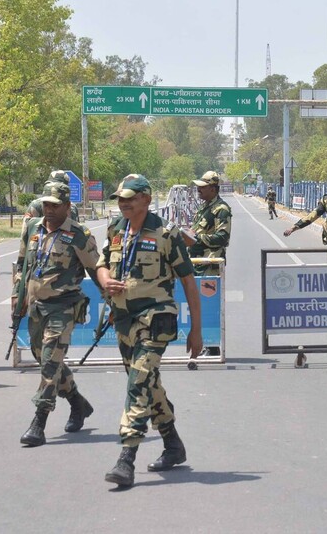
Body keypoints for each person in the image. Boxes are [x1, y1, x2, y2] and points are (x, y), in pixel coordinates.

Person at [96, 174, 202, 488]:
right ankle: (173, 444)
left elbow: (188, 282)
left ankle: (125, 459)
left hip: (156, 319)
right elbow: (102, 263)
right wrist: (104, 280)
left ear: (145, 198)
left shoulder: (166, 233)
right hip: (124, 320)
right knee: (148, 384)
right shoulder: (116, 229)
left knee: (137, 384)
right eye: (120, 198)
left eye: (130, 197)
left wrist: (196, 330)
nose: (123, 203)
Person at [17, 183, 99, 446]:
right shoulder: (33, 228)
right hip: (35, 306)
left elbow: (97, 271)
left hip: (63, 307)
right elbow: (24, 267)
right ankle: (77, 402)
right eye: (46, 204)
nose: (49, 210)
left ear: (67, 206)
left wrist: (113, 302)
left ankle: (39, 421)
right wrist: (18, 301)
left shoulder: (79, 234)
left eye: (55, 205)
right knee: (44, 359)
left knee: (50, 362)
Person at [186, 170, 232, 276]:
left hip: (209, 266)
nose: (198, 189)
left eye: (202, 187)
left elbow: (223, 238)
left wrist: (196, 238)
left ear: (212, 189)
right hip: (196, 263)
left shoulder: (221, 209)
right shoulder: (204, 208)